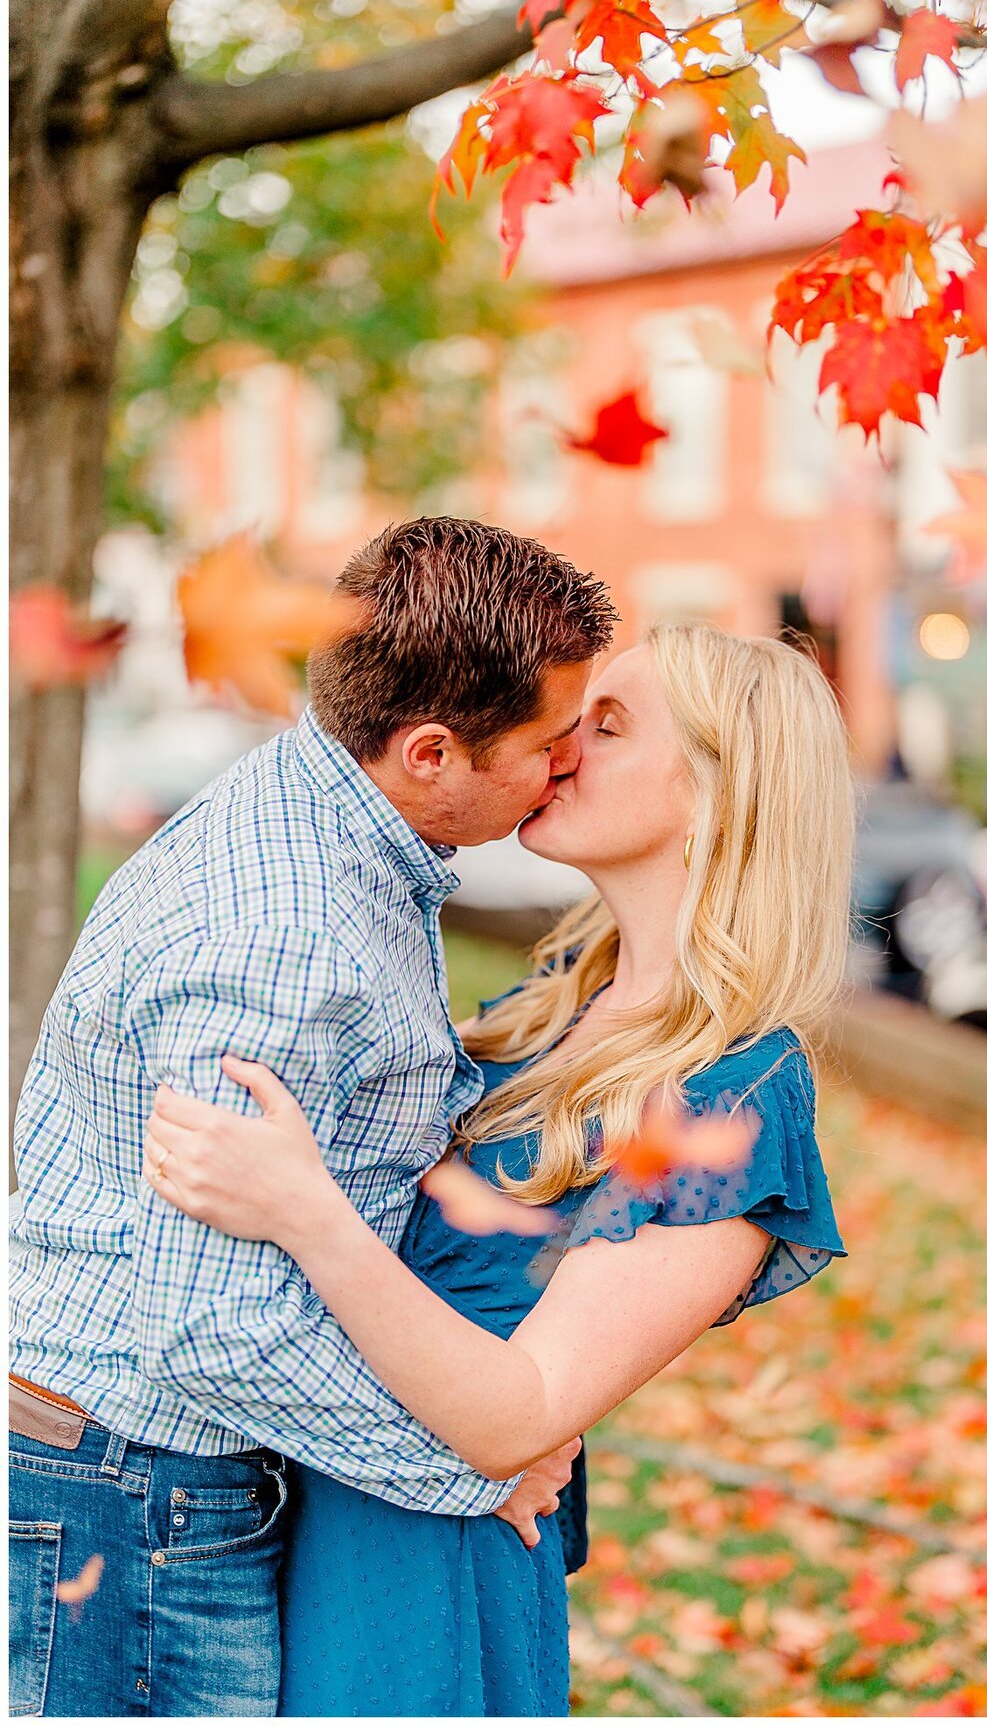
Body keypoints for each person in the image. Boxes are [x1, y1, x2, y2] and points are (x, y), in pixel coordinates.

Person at [144, 620, 855, 1717]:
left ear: (723, 792)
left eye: (606, 726)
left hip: (422, 1575)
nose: (559, 745)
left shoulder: (734, 1096)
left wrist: (305, 1210)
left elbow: (521, 1415)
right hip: (275, 1509)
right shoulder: (542, 1013)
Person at [9, 517, 616, 1718]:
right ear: (432, 751)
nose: (568, 765)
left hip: (138, 1476)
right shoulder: (287, 936)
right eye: (550, 743)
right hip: (135, 1498)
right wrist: (467, 1464)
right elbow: (210, 1329)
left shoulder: (332, 835)